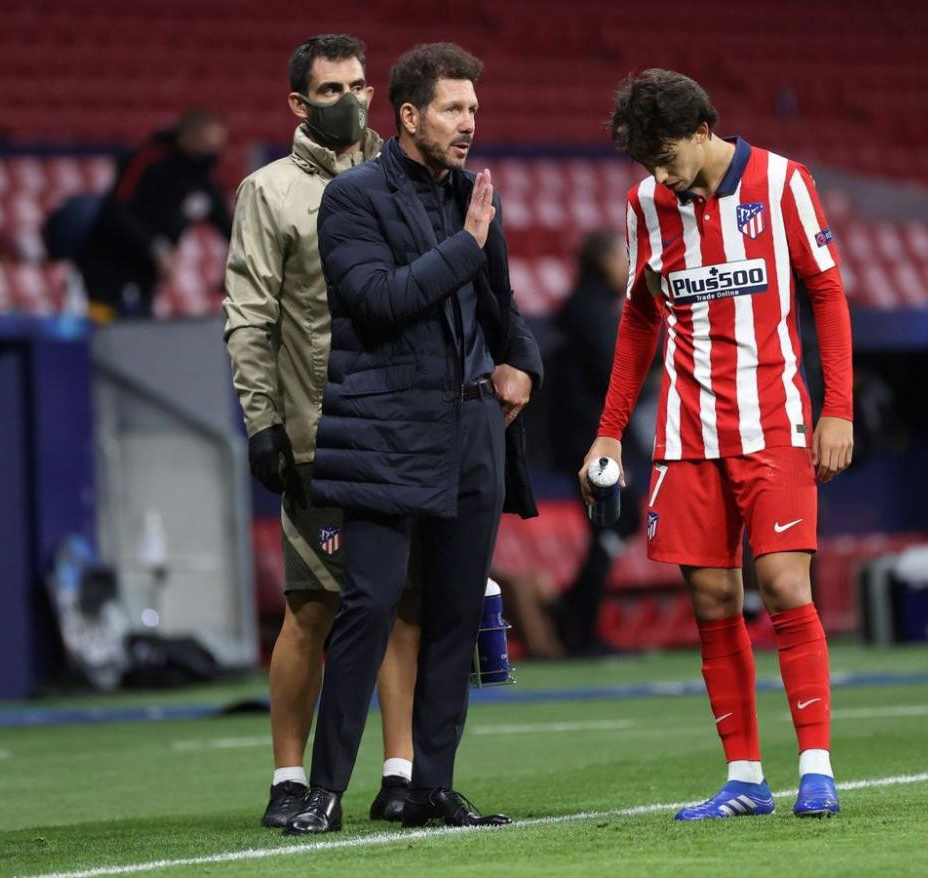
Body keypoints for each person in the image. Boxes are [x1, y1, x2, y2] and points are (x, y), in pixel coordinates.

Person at [580, 69, 854, 820]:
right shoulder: (646, 205)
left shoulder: (783, 182)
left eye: (667, 156)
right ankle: (744, 777)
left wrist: (840, 409)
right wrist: (609, 430)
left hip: (775, 427)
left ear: (704, 129)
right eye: (648, 163)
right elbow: (639, 317)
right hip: (686, 436)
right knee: (711, 599)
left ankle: (818, 768)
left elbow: (826, 292)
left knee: (786, 587)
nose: (660, 174)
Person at [285, 42, 542, 835]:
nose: (469, 123)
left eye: (473, 108)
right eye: (453, 109)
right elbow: (376, 301)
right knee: (366, 606)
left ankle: (427, 787)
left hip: (471, 428)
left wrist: (521, 365)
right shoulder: (353, 198)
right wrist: (464, 244)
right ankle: (323, 790)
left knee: (457, 613)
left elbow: (503, 310)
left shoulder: (474, 195)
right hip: (385, 427)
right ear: (408, 115)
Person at [222, 33, 419, 829]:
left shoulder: (404, 178)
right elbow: (250, 315)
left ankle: (400, 773)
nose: (351, 100)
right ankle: (286, 777)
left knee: (402, 601)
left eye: (361, 85)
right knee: (312, 607)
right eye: (332, 89)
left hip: (402, 432)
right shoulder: (267, 193)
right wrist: (262, 421)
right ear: (299, 104)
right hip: (317, 432)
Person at [548, 230, 646, 654]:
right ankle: (580, 623)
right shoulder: (590, 312)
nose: (627, 265)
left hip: (584, 435)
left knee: (615, 523)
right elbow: (614, 373)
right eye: (622, 256)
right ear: (602, 260)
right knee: (614, 522)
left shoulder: (584, 308)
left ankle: (574, 609)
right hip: (590, 439)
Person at [77, 109, 231, 320]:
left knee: (138, 329)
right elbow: (116, 210)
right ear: (188, 137)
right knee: (105, 331)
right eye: (207, 143)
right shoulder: (148, 161)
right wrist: (156, 246)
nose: (213, 151)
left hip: (146, 275)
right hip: (109, 264)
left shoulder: (203, 181)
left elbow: (228, 227)